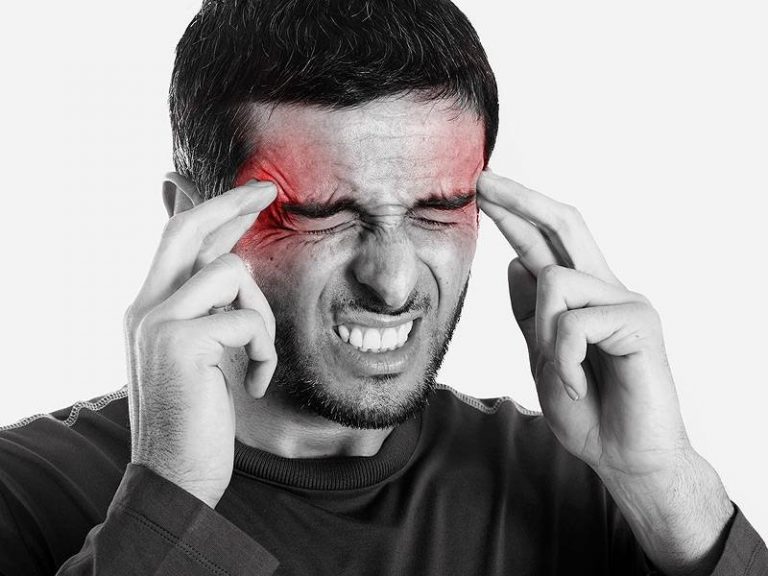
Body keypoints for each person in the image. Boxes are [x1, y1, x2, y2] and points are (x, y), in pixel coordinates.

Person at [0, 0, 765, 574]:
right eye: (324, 215)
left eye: (438, 211)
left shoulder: (585, 482)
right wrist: (171, 497)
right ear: (193, 223)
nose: (393, 283)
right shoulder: (23, 493)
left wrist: (665, 482)